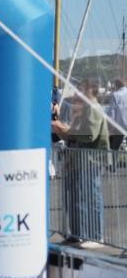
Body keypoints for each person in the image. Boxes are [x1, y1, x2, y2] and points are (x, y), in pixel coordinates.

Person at [52, 83, 109, 247]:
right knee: (76, 199)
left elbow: (88, 135)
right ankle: (77, 234)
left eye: (81, 91)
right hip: (78, 160)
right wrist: (62, 130)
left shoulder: (93, 109)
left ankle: (94, 236)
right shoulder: (83, 110)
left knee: (89, 198)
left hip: (90, 161)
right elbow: (77, 135)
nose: (77, 94)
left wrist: (66, 130)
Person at [107, 78, 127, 151]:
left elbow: (111, 112)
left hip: (119, 126)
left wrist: (110, 127)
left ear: (116, 85)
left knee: (115, 147)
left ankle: (114, 161)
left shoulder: (115, 95)